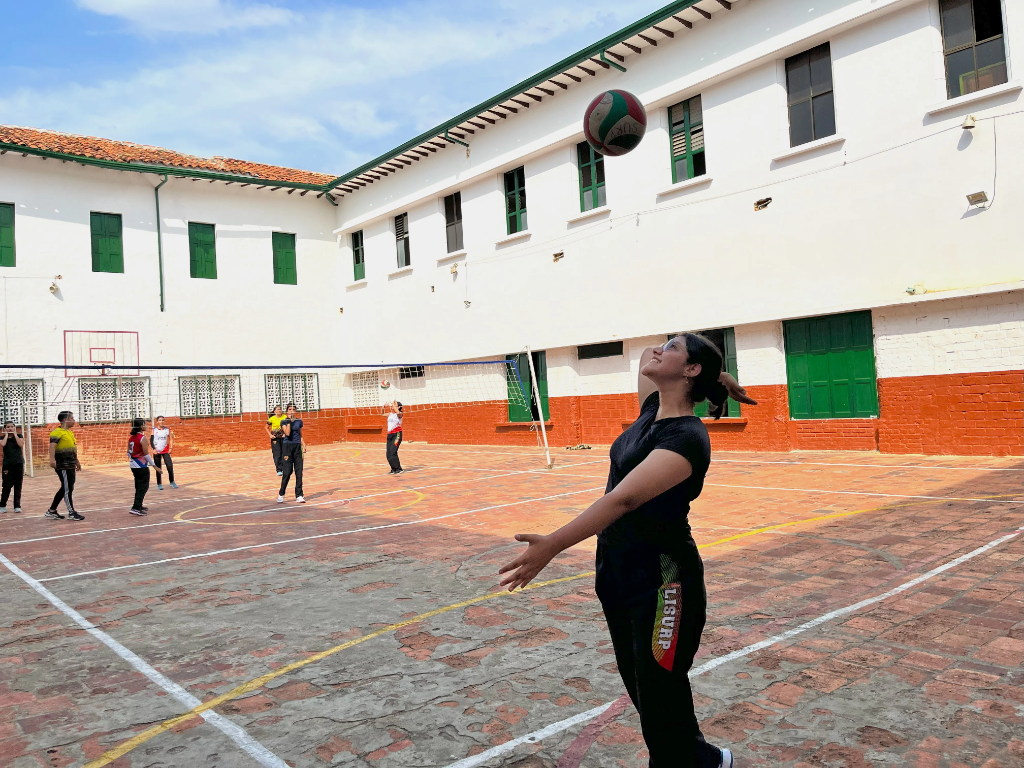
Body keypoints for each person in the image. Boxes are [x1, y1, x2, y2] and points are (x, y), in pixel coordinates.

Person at [499, 334, 757, 768]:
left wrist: (552, 546)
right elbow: (645, 358)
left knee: (659, 688)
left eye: (672, 347)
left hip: (663, 577)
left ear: (690, 370)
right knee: (642, 684)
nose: (658, 349)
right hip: (616, 569)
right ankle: (704, 760)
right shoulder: (654, 410)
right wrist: (717, 376)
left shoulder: (687, 437)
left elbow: (623, 500)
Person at [46, 410, 84, 521]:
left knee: (66, 488)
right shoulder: (57, 432)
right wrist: (52, 460)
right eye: (72, 418)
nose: (74, 420)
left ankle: (52, 510)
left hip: (71, 463)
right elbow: (52, 446)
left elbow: (72, 448)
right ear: (64, 420)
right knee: (67, 489)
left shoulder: (70, 432)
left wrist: (76, 460)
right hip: (63, 465)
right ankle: (71, 512)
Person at [277, 403, 306, 503]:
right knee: (287, 472)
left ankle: (299, 495)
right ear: (287, 411)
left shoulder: (299, 421)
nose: (291, 411)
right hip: (287, 447)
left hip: (297, 447)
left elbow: (300, 434)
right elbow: (287, 433)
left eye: (293, 409)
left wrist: (303, 444)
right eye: (289, 409)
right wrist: (289, 421)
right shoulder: (283, 421)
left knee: (299, 471)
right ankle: (281, 494)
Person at [127, 418, 154, 516]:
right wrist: (154, 466)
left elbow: (129, 453)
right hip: (141, 466)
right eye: (145, 424)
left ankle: (139, 505)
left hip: (133, 465)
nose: (146, 426)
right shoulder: (142, 438)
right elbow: (146, 455)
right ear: (141, 426)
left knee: (138, 486)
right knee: (143, 486)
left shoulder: (131, 438)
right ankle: (136, 507)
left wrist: (134, 460)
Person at [1, 420, 25, 514]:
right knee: (7, 485)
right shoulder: (2, 437)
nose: (10, 428)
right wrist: (7, 435)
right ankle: (2, 505)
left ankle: (17, 506)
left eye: (12, 426)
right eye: (8, 427)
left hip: (18, 464)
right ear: (5, 428)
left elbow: (21, 444)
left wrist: (15, 434)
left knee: (18, 485)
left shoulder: (19, 436)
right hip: (7, 465)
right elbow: (2, 444)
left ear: (15, 427)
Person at [151, 415, 177, 490]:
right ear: (157, 422)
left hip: (165, 450)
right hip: (157, 451)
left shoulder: (167, 429)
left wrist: (171, 448)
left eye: (163, 420)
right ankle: (159, 484)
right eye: (160, 420)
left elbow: (171, 439)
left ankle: (172, 481)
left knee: (169, 465)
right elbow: (151, 440)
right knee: (158, 467)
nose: (161, 422)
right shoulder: (154, 430)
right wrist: (153, 449)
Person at [266, 405, 286, 476]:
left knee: (285, 453)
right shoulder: (272, 419)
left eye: (280, 409)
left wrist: (286, 434)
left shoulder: (284, 417)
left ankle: (285, 468)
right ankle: (279, 469)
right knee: (277, 454)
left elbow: (289, 426)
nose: (279, 411)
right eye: (278, 409)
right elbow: (266, 427)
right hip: (275, 438)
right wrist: (270, 435)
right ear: (274, 411)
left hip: (284, 437)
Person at [385, 401, 404, 475]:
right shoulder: (390, 414)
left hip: (397, 434)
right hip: (390, 435)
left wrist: (394, 405)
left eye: (395, 405)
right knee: (388, 453)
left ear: (398, 407)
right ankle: (394, 468)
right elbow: (382, 414)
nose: (392, 406)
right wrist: (383, 407)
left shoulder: (399, 414)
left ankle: (398, 469)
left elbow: (398, 412)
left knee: (393, 452)